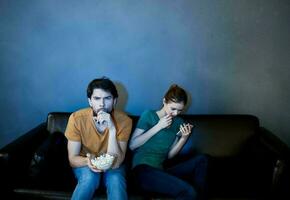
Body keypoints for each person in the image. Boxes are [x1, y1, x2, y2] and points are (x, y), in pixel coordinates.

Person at [129, 84, 208, 200]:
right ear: (164, 101)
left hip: (161, 172)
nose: (175, 113)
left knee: (203, 159)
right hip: (142, 171)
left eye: (179, 110)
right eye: (173, 109)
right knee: (188, 192)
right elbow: (132, 145)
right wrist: (158, 126)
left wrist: (183, 138)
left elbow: (169, 156)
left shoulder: (178, 122)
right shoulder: (149, 115)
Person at [65, 77, 132, 200]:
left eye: (107, 98)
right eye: (97, 98)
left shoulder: (125, 121)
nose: (102, 104)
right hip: (86, 162)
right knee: (89, 179)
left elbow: (116, 163)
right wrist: (88, 162)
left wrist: (112, 129)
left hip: (113, 165)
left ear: (114, 101)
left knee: (116, 181)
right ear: (90, 101)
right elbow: (72, 159)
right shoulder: (76, 119)